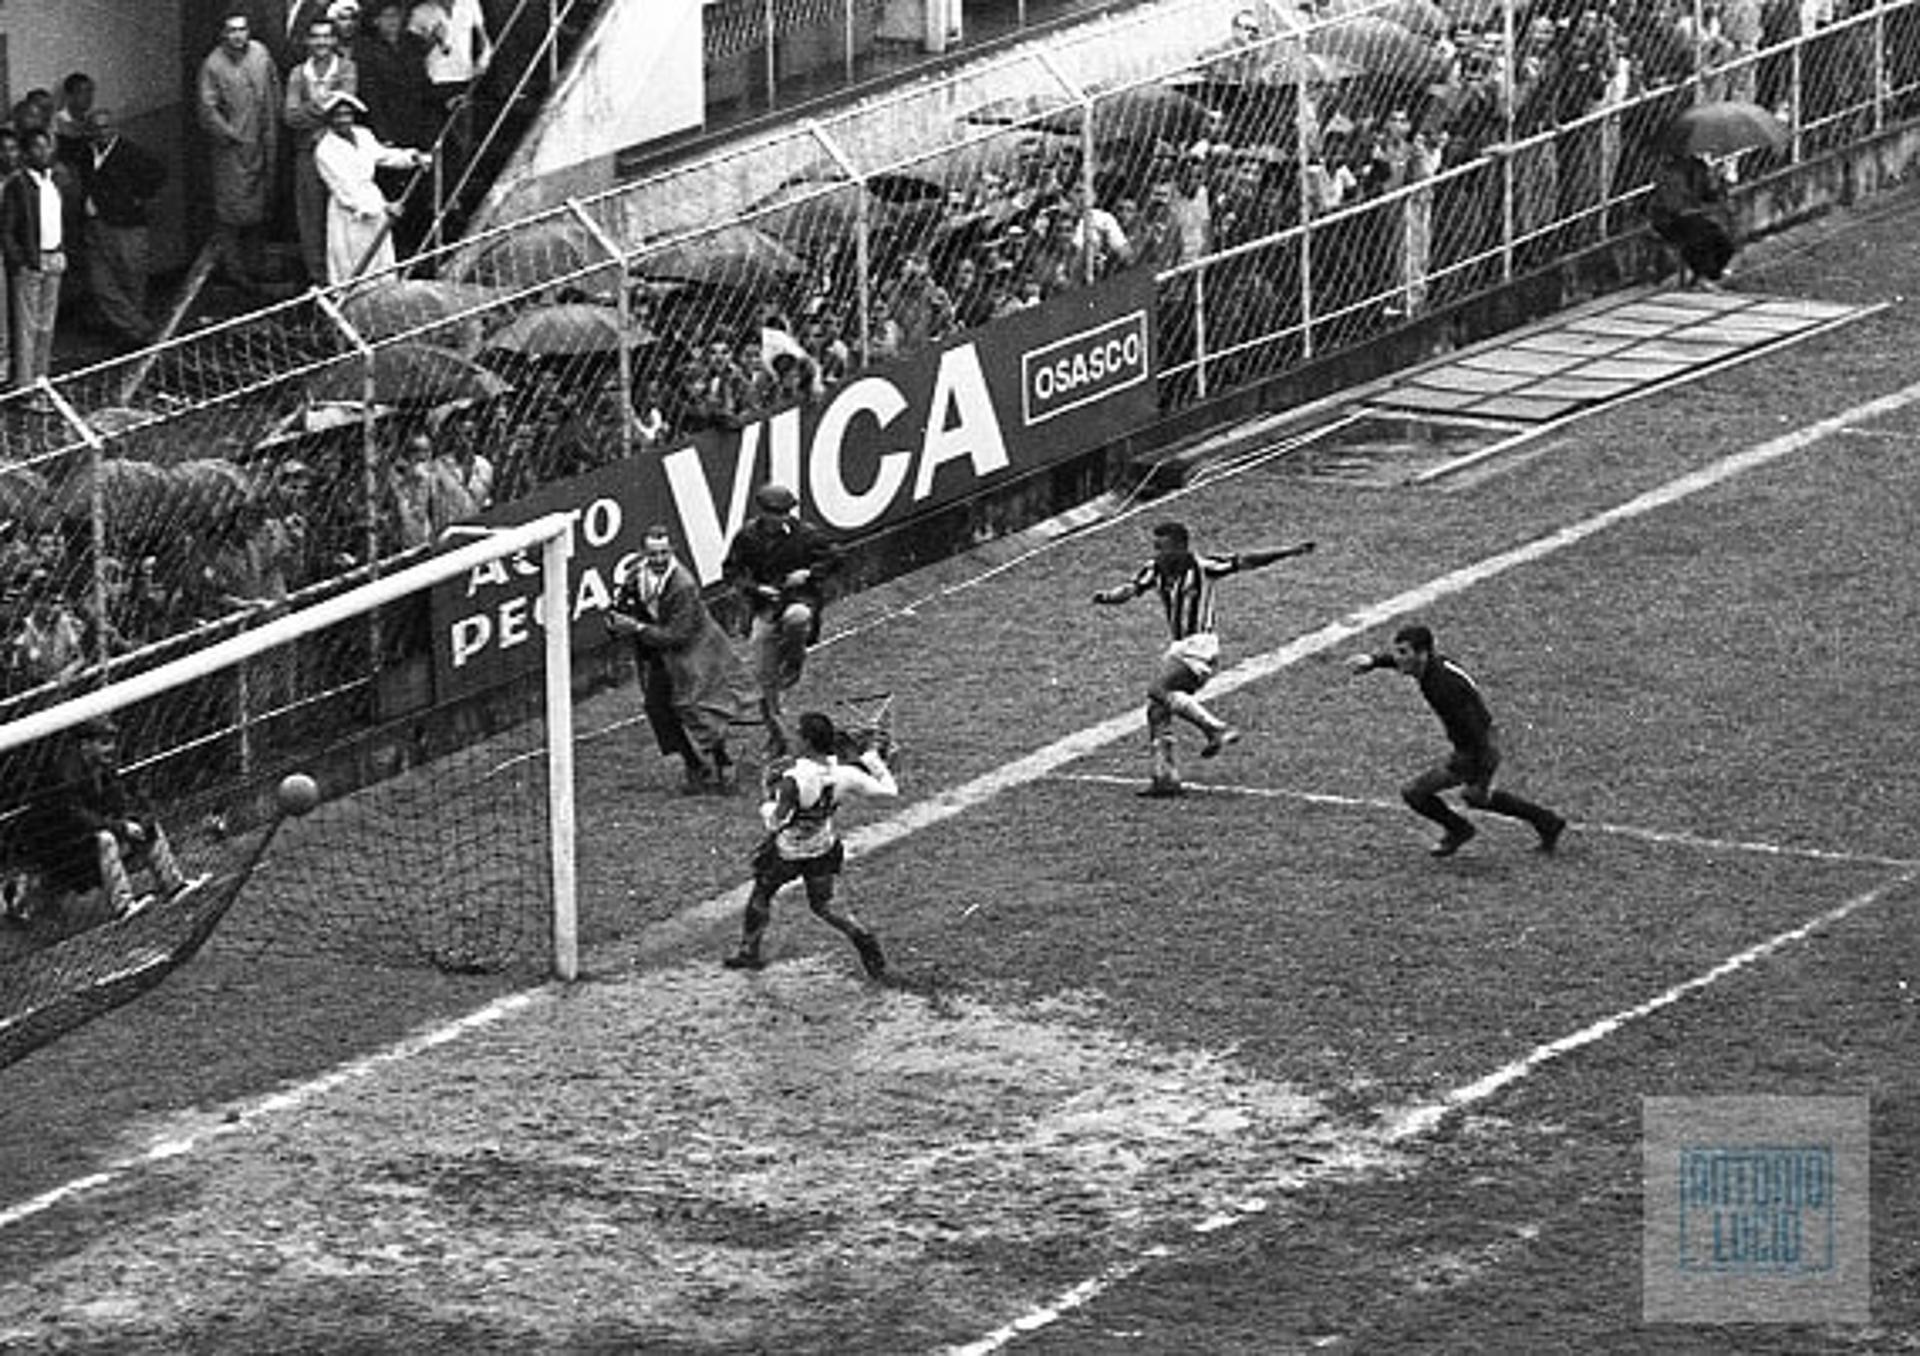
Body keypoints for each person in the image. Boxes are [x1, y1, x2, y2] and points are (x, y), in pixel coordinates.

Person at [1093, 521, 1315, 797]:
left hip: (1201, 644)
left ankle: (1216, 729)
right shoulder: (1155, 570)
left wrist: (1289, 551)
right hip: (1179, 647)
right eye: (1155, 547)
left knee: (1159, 690)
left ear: (1179, 546)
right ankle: (1165, 778)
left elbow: (1247, 560)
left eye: (1161, 547)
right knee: (1157, 709)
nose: (1156, 552)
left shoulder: (1203, 566)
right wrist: (1108, 597)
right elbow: (1132, 588)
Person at [1345, 623, 1567, 857]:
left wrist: (1483, 774)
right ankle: (1547, 821)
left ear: (1422, 654)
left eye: (1403, 652)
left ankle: (1461, 829)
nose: (1397, 658)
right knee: (1476, 797)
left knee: (1416, 793)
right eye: (1397, 651)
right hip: (1475, 743)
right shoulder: (1433, 666)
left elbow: (1477, 732)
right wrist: (1375, 661)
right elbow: (1400, 662)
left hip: (1476, 748)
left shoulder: (1442, 687)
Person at [722, 710, 894, 978]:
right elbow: (889, 792)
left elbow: (776, 822)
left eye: (797, 733)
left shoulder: (793, 778)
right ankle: (865, 941)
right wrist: (873, 761)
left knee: (761, 894)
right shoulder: (845, 774)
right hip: (822, 850)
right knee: (824, 905)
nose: (793, 737)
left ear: (808, 741)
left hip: (787, 853)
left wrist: (767, 800)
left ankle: (749, 952)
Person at [605, 526, 748, 795]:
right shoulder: (636, 576)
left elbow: (678, 635)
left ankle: (722, 760)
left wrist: (635, 628)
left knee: (699, 706)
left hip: (695, 650)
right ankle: (693, 763)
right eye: (652, 554)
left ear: (672, 552)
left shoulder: (683, 584)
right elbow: (621, 610)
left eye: (663, 553)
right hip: (662, 652)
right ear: (642, 553)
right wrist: (616, 621)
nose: (658, 559)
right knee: (658, 708)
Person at [10, 716, 191, 923]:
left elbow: (119, 800)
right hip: (60, 849)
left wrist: (136, 820)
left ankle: (175, 887)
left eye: (112, 742)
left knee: (145, 827)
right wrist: (121, 827)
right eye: (104, 743)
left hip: (86, 838)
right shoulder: (62, 774)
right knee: (105, 839)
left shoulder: (103, 766)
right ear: (85, 745)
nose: (111, 749)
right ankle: (123, 907)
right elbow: (77, 818)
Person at [722, 482, 840, 759]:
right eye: (776, 512)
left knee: (796, 618)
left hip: (800, 601)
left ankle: (794, 662)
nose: (782, 517)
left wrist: (809, 574)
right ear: (763, 513)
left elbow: (837, 556)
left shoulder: (806, 535)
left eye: (786, 512)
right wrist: (756, 588)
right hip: (766, 608)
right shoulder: (747, 537)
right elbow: (731, 571)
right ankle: (777, 737)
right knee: (763, 680)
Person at [197, 10, 282, 295]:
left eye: (242, 29)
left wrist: (274, 125)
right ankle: (235, 271)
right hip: (232, 151)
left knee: (261, 208)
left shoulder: (260, 54)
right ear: (223, 34)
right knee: (232, 213)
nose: (238, 36)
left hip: (264, 141)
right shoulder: (213, 64)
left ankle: (255, 265)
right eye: (231, 30)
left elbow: (274, 89)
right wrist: (230, 134)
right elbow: (207, 109)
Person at [311, 90, 430, 288]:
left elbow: (384, 156)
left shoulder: (363, 135)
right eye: (337, 115)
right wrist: (384, 207)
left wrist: (412, 157)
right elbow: (345, 190)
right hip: (351, 214)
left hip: (374, 201)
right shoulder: (325, 149)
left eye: (347, 114)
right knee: (357, 264)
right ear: (329, 119)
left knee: (381, 262)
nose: (343, 120)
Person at [75, 108, 168, 350]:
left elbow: (158, 174)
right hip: (96, 225)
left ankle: (133, 336)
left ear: (114, 127)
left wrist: (136, 199)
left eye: (105, 127)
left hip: (126, 225)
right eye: (95, 128)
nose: (101, 132)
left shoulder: (130, 152)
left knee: (131, 278)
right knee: (101, 283)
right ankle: (143, 328)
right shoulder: (86, 153)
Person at [284, 15, 359, 287]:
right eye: (316, 36)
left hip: (339, 154)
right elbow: (290, 117)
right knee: (310, 216)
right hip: (307, 152)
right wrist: (325, 105)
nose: (321, 42)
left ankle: (346, 275)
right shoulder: (297, 74)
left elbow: (344, 110)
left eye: (327, 36)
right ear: (307, 41)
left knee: (343, 213)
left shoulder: (347, 68)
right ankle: (319, 278)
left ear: (335, 40)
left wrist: (314, 109)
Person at [0, 128, 75, 402]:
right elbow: (7, 229)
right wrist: (22, 261)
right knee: (26, 327)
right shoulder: (18, 185)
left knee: (46, 324)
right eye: (37, 148)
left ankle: (41, 378)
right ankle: (25, 385)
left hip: (54, 257)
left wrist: (62, 250)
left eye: (47, 147)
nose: (44, 153)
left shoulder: (52, 180)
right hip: (32, 262)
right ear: (26, 152)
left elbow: (58, 220)